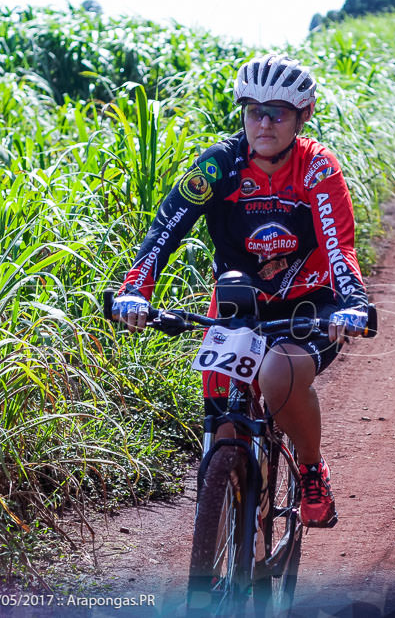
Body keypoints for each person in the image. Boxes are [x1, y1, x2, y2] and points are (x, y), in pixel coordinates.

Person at [111, 54, 370, 528]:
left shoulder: (317, 169)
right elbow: (166, 229)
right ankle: (218, 521)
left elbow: (340, 246)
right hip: (239, 301)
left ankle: (312, 469)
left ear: (303, 116)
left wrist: (353, 303)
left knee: (276, 376)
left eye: (279, 113)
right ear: (242, 113)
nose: (265, 124)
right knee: (223, 412)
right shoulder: (219, 166)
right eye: (255, 112)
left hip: (309, 303)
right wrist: (135, 291)